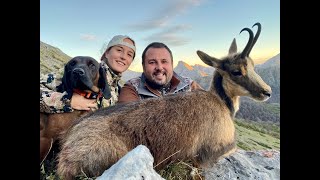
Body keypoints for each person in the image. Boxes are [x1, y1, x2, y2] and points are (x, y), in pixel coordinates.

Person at [40, 35, 136, 113]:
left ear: (131, 61)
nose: (123, 57)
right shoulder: (76, 69)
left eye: (129, 54)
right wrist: (67, 101)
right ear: (107, 53)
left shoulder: (118, 90)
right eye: (119, 50)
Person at [118, 42, 202, 103]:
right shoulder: (131, 88)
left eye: (164, 61)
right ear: (143, 66)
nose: (159, 67)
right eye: (152, 62)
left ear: (172, 64)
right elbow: (127, 123)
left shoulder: (190, 85)